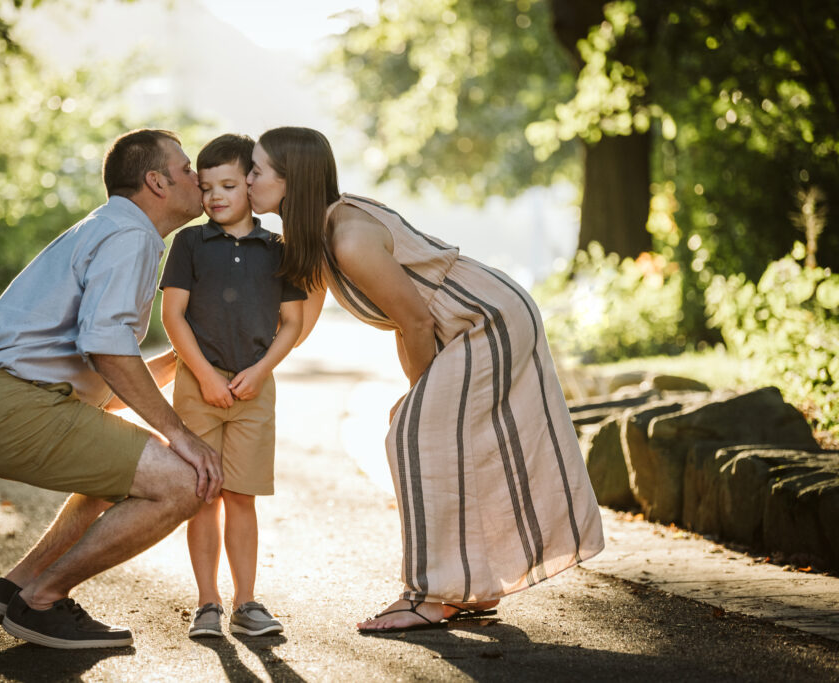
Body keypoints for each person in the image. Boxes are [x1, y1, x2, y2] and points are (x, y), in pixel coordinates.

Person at [246, 126, 605, 633]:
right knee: (421, 433)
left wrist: (421, 393)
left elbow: (415, 321)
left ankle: (430, 596)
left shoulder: (348, 237)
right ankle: (465, 588)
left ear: (291, 180)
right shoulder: (317, 237)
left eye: (257, 170)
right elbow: (297, 327)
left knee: (414, 434)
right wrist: (197, 364)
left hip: (488, 319)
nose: (247, 178)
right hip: (468, 324)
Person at [0, 128, 224, 649]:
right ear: (156, 181)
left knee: (113, 472)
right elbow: (107, 348)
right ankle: (44, 601)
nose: (198, 177)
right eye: (186, 169)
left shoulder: (114, 228)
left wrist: (186, 359)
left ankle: (21, 585)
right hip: (11, 405)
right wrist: (179, 435)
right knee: (182, 481)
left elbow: (103, 372)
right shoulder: (132, 235)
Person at [160, 134, 305, 638]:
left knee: (242, 496)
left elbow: (291, 322)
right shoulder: (190, 243)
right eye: (205, 187)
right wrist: (203, 375)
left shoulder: (278, 249)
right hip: (198, 386)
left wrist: (261, 371)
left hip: (254, 392)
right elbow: (173, 315)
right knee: (204, 494)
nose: (215, 196)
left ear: (250, 183)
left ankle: (247, 603)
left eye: (227, 184)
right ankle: (208, 604)